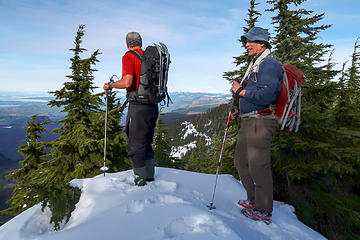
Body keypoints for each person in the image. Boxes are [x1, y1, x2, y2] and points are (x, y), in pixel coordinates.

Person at [231, 27, 283, 223]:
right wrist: (239, 108)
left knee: (258, 166)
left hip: (261, 122)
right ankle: (253, 200)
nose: (246, 44)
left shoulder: (269, 64)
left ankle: (263, 210)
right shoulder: (255, 64)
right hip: (249, 119)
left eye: (250, 41)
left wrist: (241, 92)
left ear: (262, 43)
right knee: (241, 162)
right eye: (246, 41)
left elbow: (267, 94)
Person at [103, 32, 158, 186]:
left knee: (135, 145)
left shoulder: (129, 56)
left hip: (138, 106)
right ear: (140, 42)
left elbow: (128, 82)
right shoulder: (151, 58)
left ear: (127, 44)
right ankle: (150, 177)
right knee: (146, 142)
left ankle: (140, 182)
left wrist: (111, 85)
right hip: (152, 105)